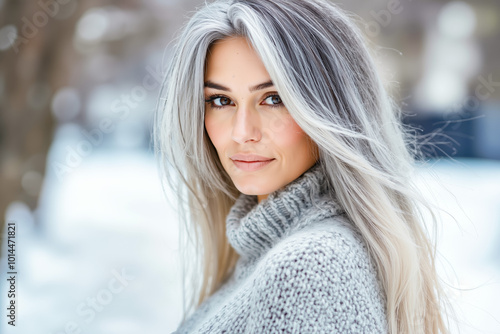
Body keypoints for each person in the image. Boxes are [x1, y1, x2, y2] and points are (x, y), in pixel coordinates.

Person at [154, 0, 451, 333]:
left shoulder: (307, 268)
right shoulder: (269, 255)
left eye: (273, 98)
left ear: (330, 110)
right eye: (221, 101)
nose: (242, 133)